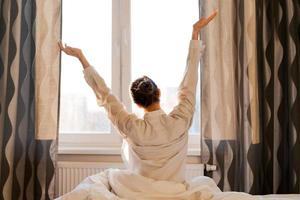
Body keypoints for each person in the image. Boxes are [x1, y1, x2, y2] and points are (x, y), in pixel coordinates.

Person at [58, 10, 217, 198]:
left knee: (106, 177)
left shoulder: (131, 127)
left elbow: (105, 94)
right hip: (175, 190)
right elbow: (189, 86)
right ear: (158, 93)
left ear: (137, 102)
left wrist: (81, 57)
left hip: (137, 191)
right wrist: (195, 35)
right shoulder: (180, 121)